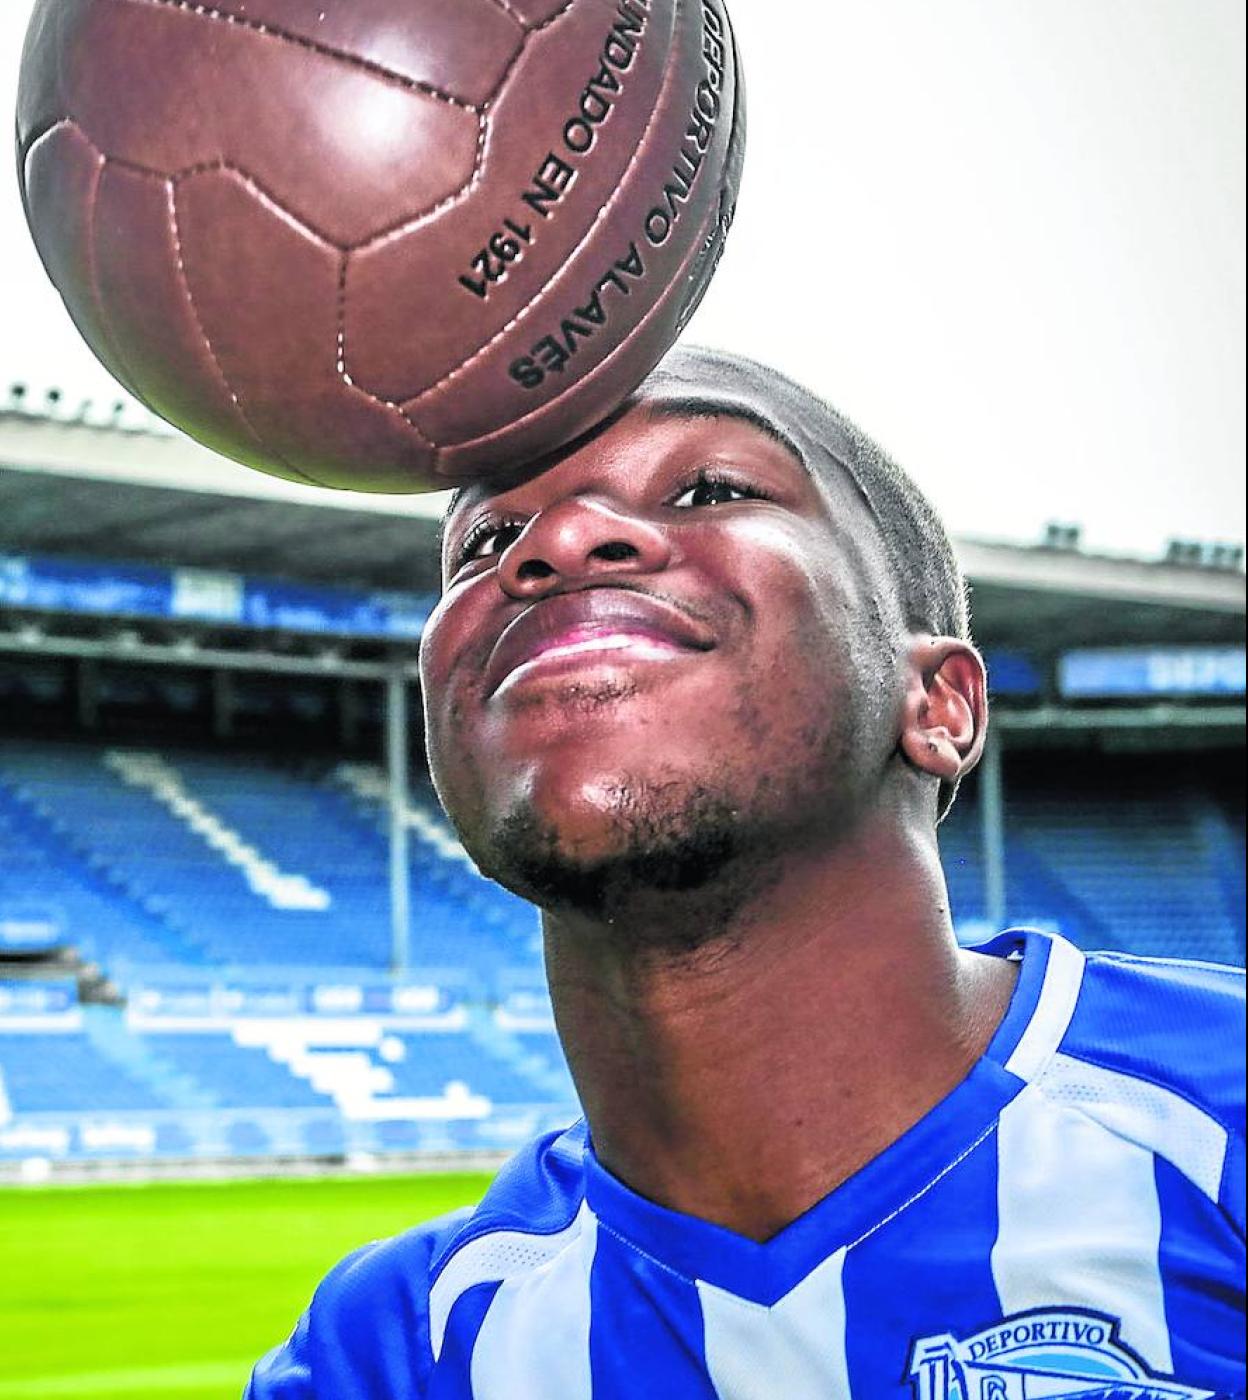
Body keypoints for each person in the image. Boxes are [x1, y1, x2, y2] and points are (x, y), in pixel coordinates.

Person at [247, 349, 1245, 1399]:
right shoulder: (393, 1353)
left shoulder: (1219, 1106)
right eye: (488, 540)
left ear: (940, 703)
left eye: (709, 487)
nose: (555, 540)